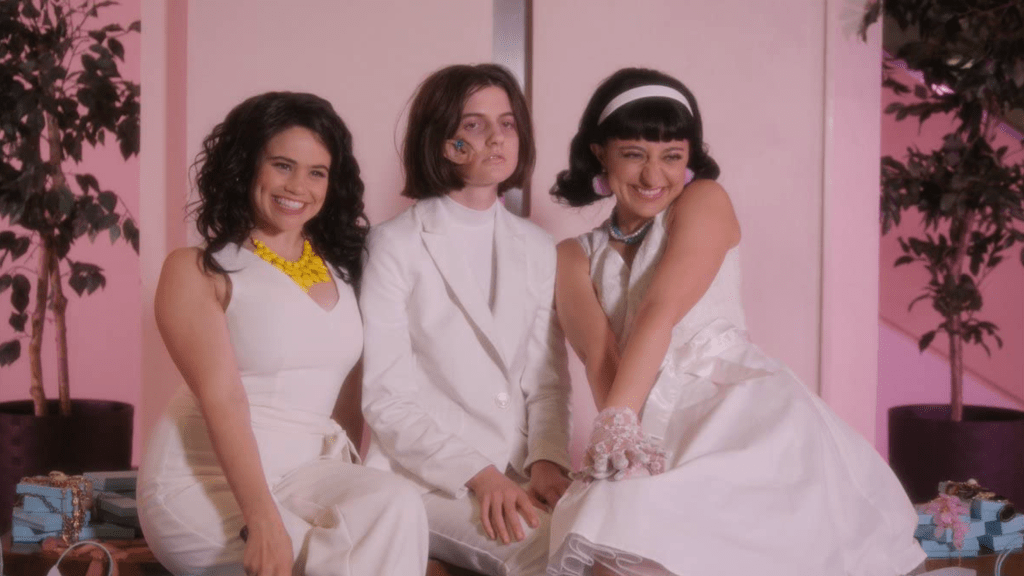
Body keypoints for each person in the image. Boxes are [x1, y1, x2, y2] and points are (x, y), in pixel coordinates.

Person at [547, 68, 926, 576]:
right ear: (600, 152)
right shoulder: (573, 255)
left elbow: (660, 310)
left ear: (690, 159)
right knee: (614, 534)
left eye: (672, 157)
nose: (653, 176)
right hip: (641, 416)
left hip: (733, 405)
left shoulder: (704, 201)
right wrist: (621, 441)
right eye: (634, 154)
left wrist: (617, 418)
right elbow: (599, 356)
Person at [138, 92, 428, 576]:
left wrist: (348, 489)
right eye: (283, 165)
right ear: (246, 165)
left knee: (396, 503)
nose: (299, 186)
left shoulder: (342, 268)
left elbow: (348, 392)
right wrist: (263, 518)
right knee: (303, 555)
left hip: (304, 474)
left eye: (317, 172)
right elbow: (222, 398)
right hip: (202, 478)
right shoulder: (198, 269)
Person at [359, 64, 572, 576]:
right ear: (440, 139)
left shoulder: (540, 247)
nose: (496, 138)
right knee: (556, 556)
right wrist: (478, 474)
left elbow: (547, 383)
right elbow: (385, 399)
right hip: (429, 481)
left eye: (507, 124)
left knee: (617, 537)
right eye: (474, 125)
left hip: (520, 473)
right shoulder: (395, 245)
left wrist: (546, 461)